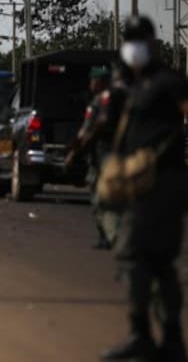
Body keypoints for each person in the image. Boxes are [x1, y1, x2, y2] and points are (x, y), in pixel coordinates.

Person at [102, 16, 188, 361]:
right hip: (144, 184)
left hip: (161, 183)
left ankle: (141, 334)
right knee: (161, 262)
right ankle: (172, 340)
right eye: (129, 39)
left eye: (138, 39)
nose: (132, 45)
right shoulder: (133, 84)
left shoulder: (168, 81)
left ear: (152, 42)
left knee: (133, 255)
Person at [65, 66, 126, 250]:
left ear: (101, 82)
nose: (92, 84)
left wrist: (76, 150)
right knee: (100, 197)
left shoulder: (105, 100)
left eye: (94, 80)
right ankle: (107, 237)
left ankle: (112, 237)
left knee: (103, 198)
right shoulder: (103, 100)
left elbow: (93, 127)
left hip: (105, 155)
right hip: (100, 156)